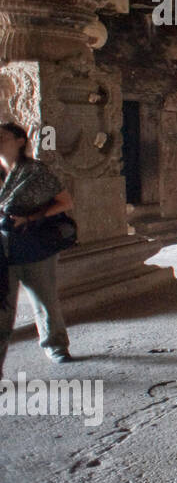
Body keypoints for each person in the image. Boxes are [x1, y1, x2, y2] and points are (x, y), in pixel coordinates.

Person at [0, 122, 75, 374]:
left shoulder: (34, 171)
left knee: (44, 299)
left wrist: (30, 218)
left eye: (3, 136)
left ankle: (55, 346)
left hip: (33, 245)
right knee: (2, 307)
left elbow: (65, 202)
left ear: (20, 140)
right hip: (2, 249)